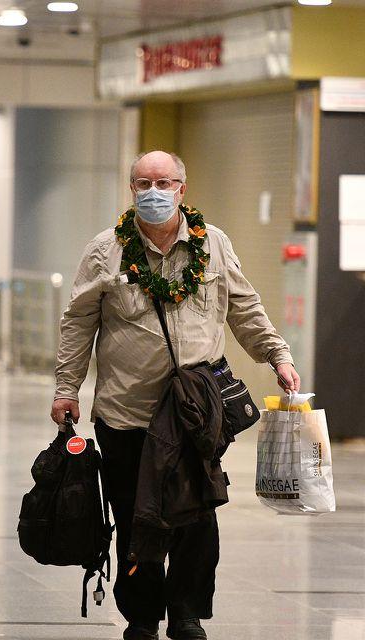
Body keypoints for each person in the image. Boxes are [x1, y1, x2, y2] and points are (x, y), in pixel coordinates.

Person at [50, 151, 300, 640]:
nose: (154, 191)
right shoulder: (106, 250)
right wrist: (67, 388)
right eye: (143, 182)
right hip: (128, 413)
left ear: (183, 188)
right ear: (131, 189)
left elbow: (244, 307)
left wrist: (278, 355)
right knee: (134, 517)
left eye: (164, 182)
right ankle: (141, 617)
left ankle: (186, 613)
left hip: (194, 415)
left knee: (196, 516)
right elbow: (78, 322)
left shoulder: (214, 245)